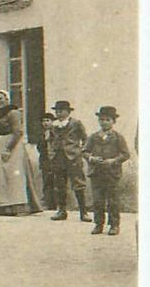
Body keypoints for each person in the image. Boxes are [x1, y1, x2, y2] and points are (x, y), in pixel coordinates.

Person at [0, 90, 42, 215]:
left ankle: (19, 207)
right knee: (0, 176)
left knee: (14, 175)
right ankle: (3, 206)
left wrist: (8, 149)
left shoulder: (14, 112)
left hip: (13, 144)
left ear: (7, 99)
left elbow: (18, 132)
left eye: (0, 98)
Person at [83, 107, 131, 236]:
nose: (104, 122)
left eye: (107, 120)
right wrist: (92, 158)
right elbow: (85, 151)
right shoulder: (93, 137)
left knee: (112, 200)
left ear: (113, 121)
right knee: (98, 200)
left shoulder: (118, 137)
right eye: (101, 119)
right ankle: (98, 224)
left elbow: (125, 154)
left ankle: (114, 225)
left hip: (112, 173)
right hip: (96, 173)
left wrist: (113, 161)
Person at [49, 100, 90, 222]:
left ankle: (83, 212)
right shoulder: (54, 125)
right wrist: (52, 153)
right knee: (60, 185)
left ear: (68, 112)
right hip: (58, 158)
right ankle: (62, 211)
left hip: (73, 158)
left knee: (78, 184)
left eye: (61, 111)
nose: (59, 113)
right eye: (57, 111)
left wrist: (81, 151)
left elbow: (85, 138)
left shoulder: (76, 123)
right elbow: (51, 140)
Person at [36, 113, 57, 210]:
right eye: (43, 121)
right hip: (45, 161)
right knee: (47, 182)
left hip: (56, 160)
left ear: (52, 122)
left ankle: (58, 204)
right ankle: (48, 203)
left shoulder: (56, 132)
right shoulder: (41, 134)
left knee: (57, 182)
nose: (45, 123)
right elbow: (39, 147)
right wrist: (44, 140)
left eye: (48, 120)